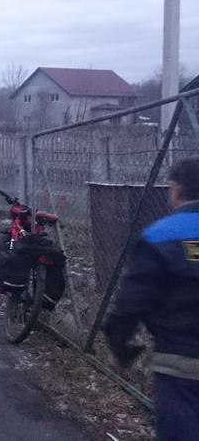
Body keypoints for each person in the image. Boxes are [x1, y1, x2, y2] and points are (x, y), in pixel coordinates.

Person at [103, 158, 199, 440]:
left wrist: (120, 346)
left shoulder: (161, 235)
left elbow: (132, 300)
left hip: (181, 361)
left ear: (176, 190)